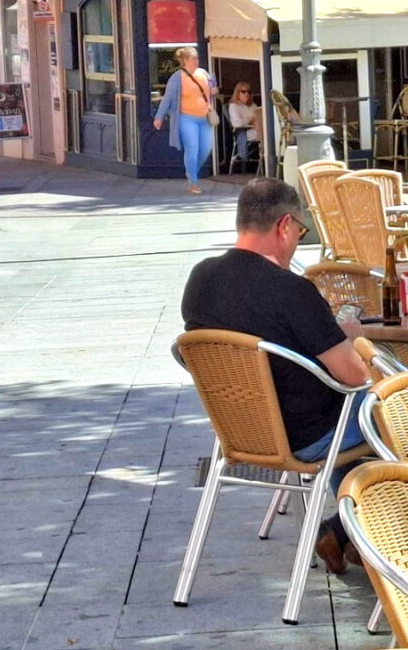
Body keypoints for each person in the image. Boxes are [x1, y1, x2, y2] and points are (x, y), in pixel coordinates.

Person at [181, 178, 371, 573]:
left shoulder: (200, 280)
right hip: (308, 435)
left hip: (244, 431)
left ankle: (353, 535)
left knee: (353, 419)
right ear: (285, 225)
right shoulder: (293, 291)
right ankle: (394, 537)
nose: (297, 242)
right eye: (300, 232)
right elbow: (355, 376)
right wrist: (350, 337)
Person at [153, 46, 217, 194]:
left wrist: (214, 91)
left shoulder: (203, 73)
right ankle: (193, 182)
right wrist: (159, 117)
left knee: (206, 148)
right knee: (192, 148)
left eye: (197, 58)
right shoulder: (177, 77)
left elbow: (211, 90)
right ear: (185, 61)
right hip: (186, 118)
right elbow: (167, 98)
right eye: (193, 58)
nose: (196, 61)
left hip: (204, 117)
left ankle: (191, 171)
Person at [227, 81, 261, 163]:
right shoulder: (233, 106)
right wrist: (250, 120)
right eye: (243, 92)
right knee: (266, 136)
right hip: (244, 132)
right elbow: (237, 123)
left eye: (248, 92)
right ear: (237, 93)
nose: (246, 94)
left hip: (257, 128)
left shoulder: (252, 105)